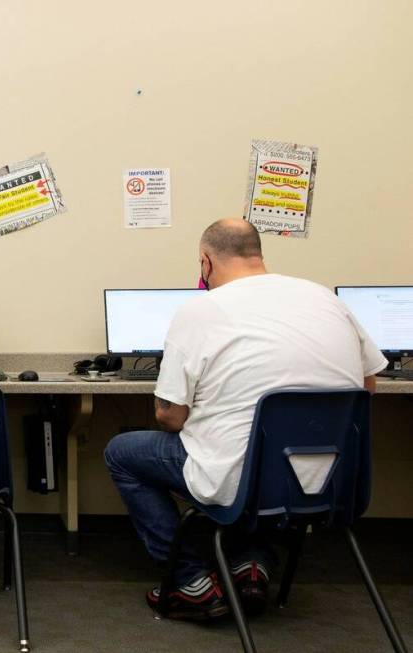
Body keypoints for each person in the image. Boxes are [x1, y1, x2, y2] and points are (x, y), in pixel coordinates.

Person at [104, 218, 387, 620]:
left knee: (122, 453)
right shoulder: (325, 298)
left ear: (205, 262)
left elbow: (169, 416)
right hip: (332, 481)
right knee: (255, 453)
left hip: (243, 482)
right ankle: (251, 564)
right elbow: (368, 388)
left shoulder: (201, 309)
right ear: (258, 254)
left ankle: (189, 581)